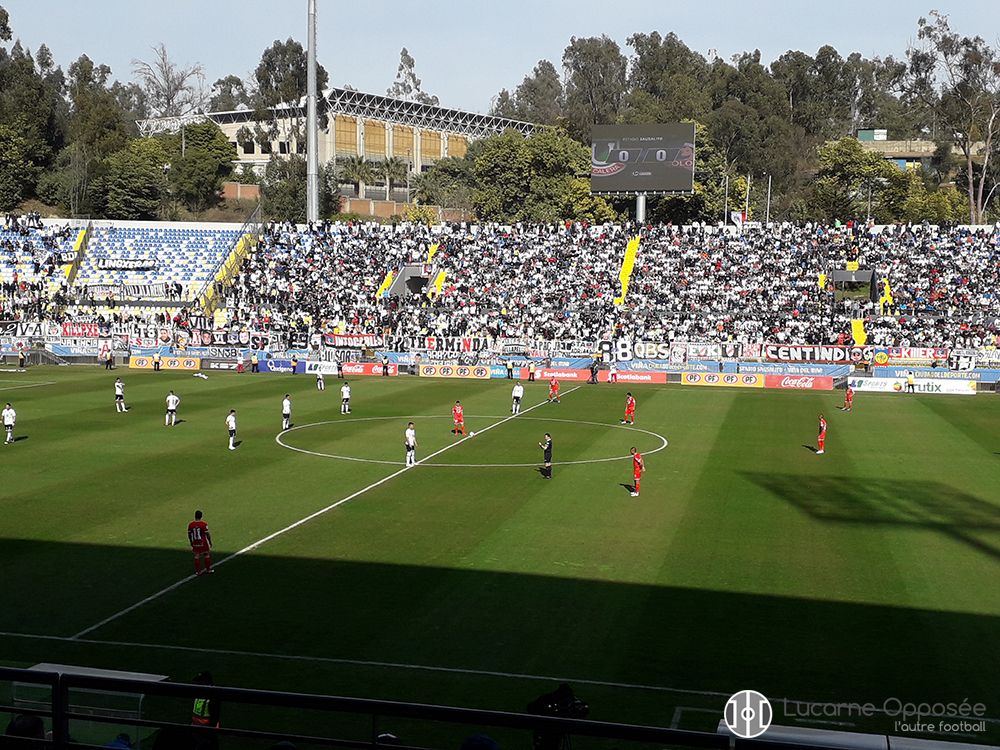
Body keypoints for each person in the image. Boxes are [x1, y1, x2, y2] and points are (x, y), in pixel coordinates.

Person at [188, 510, 214, 576]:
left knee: (196, 556)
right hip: (203, 542)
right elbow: (207, 534)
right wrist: (210, 541)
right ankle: (208, 569)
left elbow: (189, 534)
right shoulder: (204, 524)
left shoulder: (191, 525)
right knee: (206, 554)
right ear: (201, 516)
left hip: (195, 541)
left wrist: (191, 541)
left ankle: (198, 572)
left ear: (195, 516)